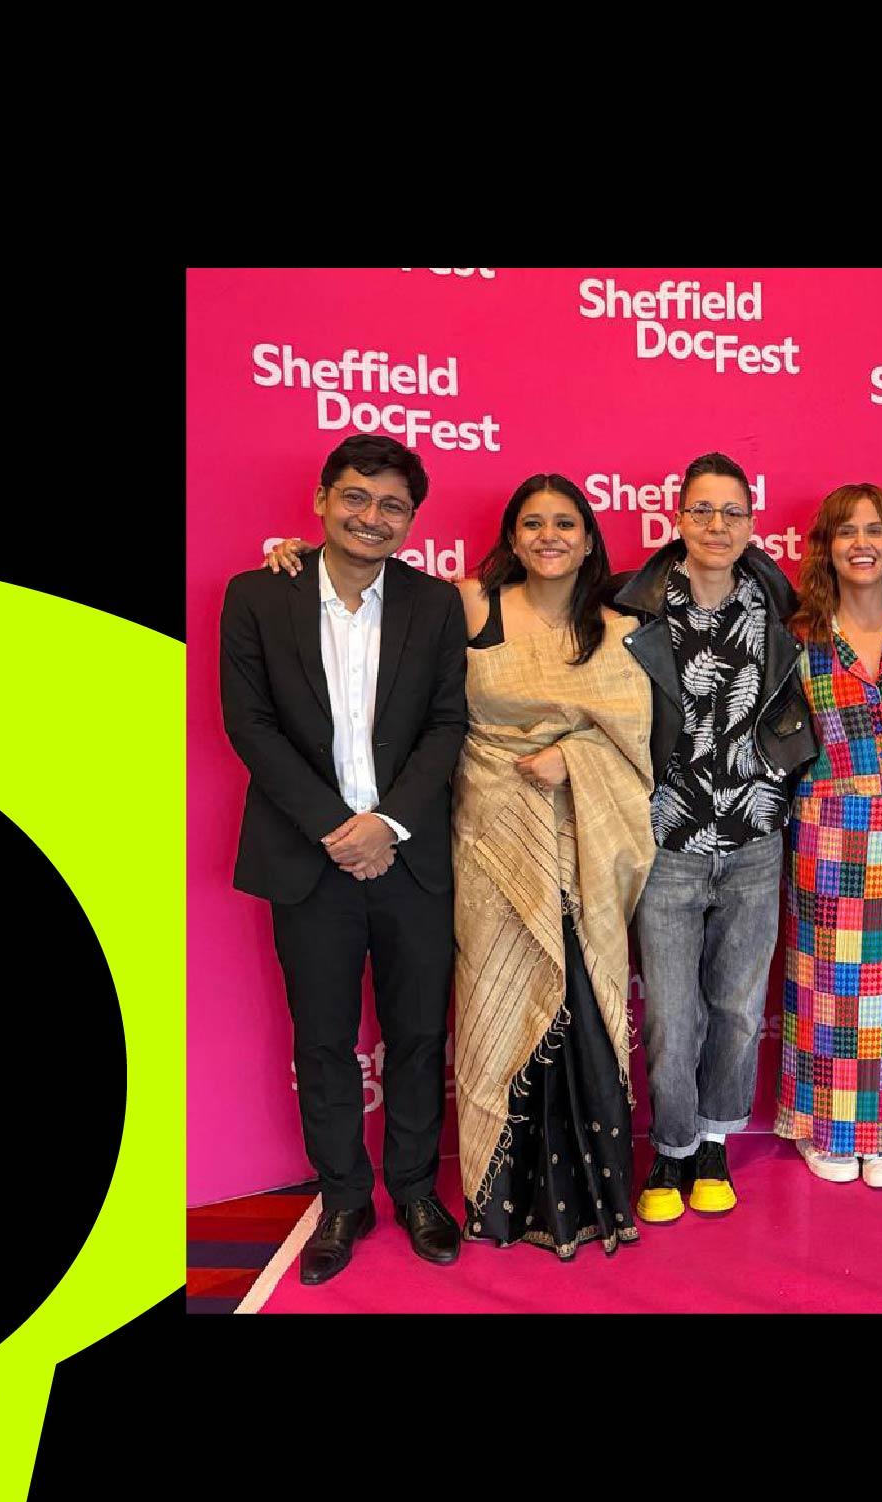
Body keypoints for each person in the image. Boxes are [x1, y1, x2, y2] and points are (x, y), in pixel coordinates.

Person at [263, 474, 655, 1260]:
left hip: (584, 853)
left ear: (589, 538)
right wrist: (309, 560)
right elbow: (379, 598)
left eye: (567, 524)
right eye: (533, 523)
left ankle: (584, 1199)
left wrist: (575, 755)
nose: (550, 537)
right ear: (511, 537)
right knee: (491, 1014)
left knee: (578, 1014)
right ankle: (489, 1200)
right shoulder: (467, 605)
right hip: (485, 850)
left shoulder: (621, 627)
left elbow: (641, 745)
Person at [217, 433, 469, 1284]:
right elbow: (249, 726)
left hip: (411, 862)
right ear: (324, 499)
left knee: (417, 1034)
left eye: (392, 506)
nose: (372, 517)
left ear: (410, 521)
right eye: (357, 498)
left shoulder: (435, 606)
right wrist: (338, 827)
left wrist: (387, 824)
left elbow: (447, 725)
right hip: (308, 859)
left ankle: (413, 1190)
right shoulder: (257, 595)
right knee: (322, 1040)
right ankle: (344, 1198)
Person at [607, 453, 819, 1222]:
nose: (718, 526)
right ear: (678, 518)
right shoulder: (631, 607)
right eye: (703, 510)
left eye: (733, 512)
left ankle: (715, 1143)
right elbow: (529, 595)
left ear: (753, 525)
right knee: (671, 1010)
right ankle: (669, 1146)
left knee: (734, 1005)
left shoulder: (780, 604)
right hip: (668, 843)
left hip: (756, 838)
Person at [773, 483, 882, 1189]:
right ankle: (827, 1129)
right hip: (826, 827)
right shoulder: (800, 634)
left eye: (873, 530)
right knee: (829, 990)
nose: (861, 544)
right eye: (846, 532)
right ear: (826, 547)